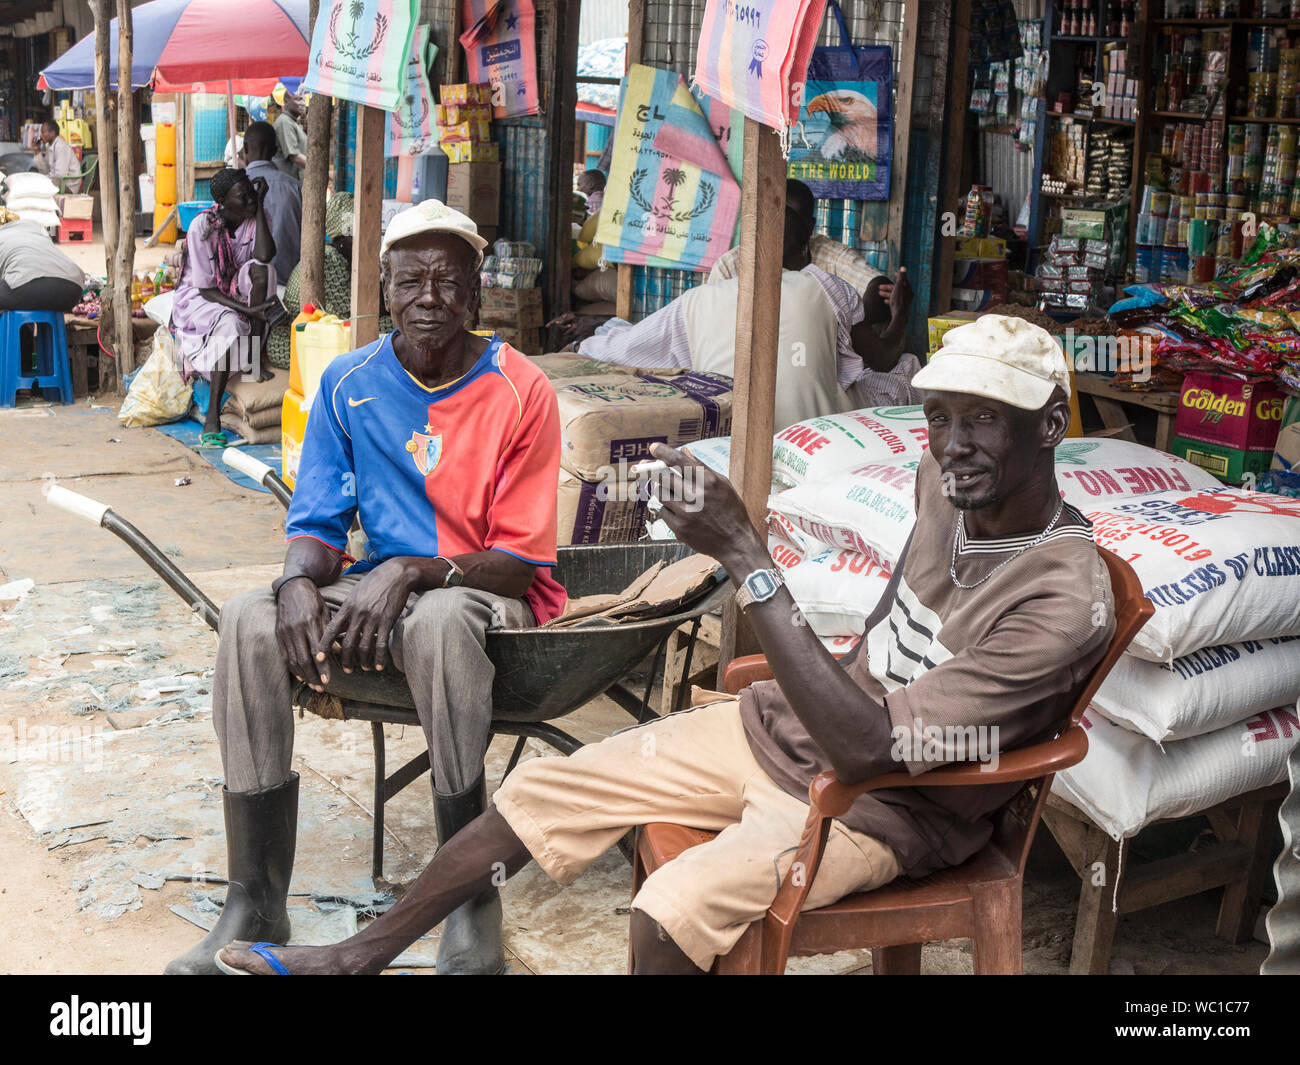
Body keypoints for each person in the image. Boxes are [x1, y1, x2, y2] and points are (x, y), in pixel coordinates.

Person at [215, 313, 1116, 976]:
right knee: (543, 790)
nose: (954, 445)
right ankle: (351, 960)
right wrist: (820, 668)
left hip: (887, 805)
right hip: (792, 735)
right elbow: (887, 627)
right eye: (942, 416)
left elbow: (872, 749)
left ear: (1049, 427)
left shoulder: (1062, 594)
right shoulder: (943, 480)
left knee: (670, 905)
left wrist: (745, 554)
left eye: (984, 421)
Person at [167, 198, 566, 977]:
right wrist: (293, 583)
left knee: (442, 620)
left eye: (448, 283)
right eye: (410, 281)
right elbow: (317, 526)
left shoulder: (523, 390)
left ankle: (468, 899)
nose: (429, 298)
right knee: (248, 619)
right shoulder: (349, 383)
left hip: (484, 596)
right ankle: (255, 898)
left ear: (476, 294)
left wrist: (410, 569)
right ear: (384, 290)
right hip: (386, 596)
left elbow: (521, 561)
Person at [573, 179, 918, 429]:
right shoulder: (827, 287)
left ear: (748, 252)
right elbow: (884, 359)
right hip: (817, 441)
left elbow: (625, 350)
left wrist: (580, 346)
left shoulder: (696, 301)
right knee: (907, 371)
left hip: (726, 438)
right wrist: (900, 315)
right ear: (805, 250)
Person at [709, 179, 916, 392]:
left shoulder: (828, 274)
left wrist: (840, 326)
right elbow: (883, 358)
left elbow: (877, 287)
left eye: (792, 218)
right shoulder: (729, 267)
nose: (783, 223)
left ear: (809, 230)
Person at [168, 167, 277, 448]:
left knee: (263, 271)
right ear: (224, 202)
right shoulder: (202, 227)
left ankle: (252, 360)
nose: (250, 200)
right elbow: (206, 287)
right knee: (229, 322)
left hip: (232, 287)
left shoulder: (256, 216)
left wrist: (260, 204)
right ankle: (213, 415)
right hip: (200, 296)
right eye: (243, 197)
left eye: (251, 193)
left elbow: (264, 255)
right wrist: (248, 311)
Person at [265, 192, 394, 371]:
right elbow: (353, 312)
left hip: (316, 337)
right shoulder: (330, 258)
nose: (365, 239)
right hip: (291, 345)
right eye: (357, 232)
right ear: (342, 234)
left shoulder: (340, 255)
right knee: (393, 325)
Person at [242, 121, 301, 284]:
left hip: (245, 286)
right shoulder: (295, 187)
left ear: (245, 149)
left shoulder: (235, 188)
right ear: (275, 151)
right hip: (289, 284)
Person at [0, 216, 86, 311]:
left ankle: (16, 325)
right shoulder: (36, 231)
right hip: (72, 290)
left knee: (15, 295)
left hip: (27, 286)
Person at [32, 120, 81, 192]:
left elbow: (60, 175)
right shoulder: (50, 146)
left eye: (43, 132)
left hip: (68, 186)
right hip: (58, 182)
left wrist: (44, 179)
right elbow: (45, 170)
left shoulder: (60, 146)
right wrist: (37, 150)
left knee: (37, 186)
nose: (41, 135)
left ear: (52, 133)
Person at [272, 93, 308, 180]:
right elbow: (295, 156)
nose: (303, 103)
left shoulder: (294, 123)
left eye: (304, 100)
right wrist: (318, 170)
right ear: (286, 102)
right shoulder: (285, 122)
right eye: (298, 99)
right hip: (285, 182)